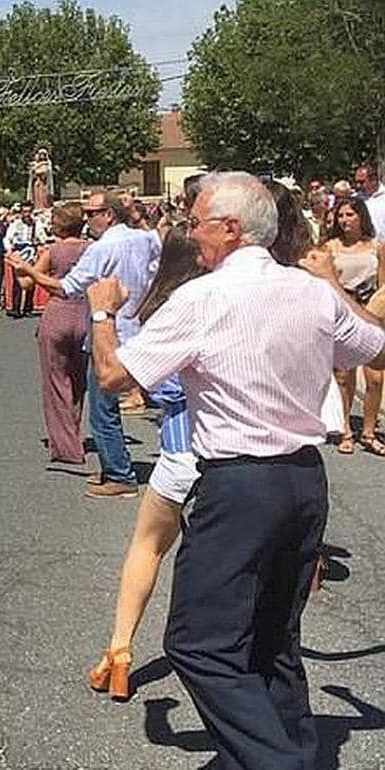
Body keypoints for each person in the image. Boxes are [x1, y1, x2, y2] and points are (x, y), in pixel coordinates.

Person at [87, 171, 385, 769]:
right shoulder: (311, 291)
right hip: (304, 479)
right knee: (274, 637)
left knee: (198, 644)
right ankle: (288, 749)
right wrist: (332, 284)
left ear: (228, 229)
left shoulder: (203, 297)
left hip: (240, 482)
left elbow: (116, 379)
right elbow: (376, 345)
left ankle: (280, 762)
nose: (190, 234)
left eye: (197, 222)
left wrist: (102, 315)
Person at [86, 228, 204, 701]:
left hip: (179, 453)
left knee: (147, 548)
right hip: (229, 457)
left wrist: (104, 315)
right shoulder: (224, 306)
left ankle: (120, 650)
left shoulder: (165, 315)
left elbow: (132, 379)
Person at [12, 191, 160, 498]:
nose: (87, 218)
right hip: (139, 326)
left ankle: (120, 474)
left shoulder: (101, 249)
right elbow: (157, 267)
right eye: (85, 213)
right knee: (159, 396)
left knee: (102, 409)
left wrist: (28, 271)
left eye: (92, 212)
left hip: (108, 329)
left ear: (108, 214)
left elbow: (65, 287)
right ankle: (118, 467)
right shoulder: (144, 239)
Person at [22, 203, 89, 464]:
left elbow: (28, 282)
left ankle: (65, 445)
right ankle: (73, 430)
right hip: (83, 313)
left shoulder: (52, 251)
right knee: (78, 380)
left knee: (56, 381)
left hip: (58, 314)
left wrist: (22, 268)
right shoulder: (90, 250)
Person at [319, 197, 385, 455]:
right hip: (343, 312)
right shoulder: (329, 247)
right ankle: (345, 427)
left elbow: (383, 285)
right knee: (344, 376)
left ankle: (368, 431)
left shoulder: (376, 246)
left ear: (361, 217)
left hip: (371, 312)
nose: (344, 220)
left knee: (376, 377)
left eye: (350, 215)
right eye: (341, 215)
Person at [3, 202, 48, 317]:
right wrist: (9, 250)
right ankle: (15, 308)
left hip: (31, 253)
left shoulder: (36, 224)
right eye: (24, 212)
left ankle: (28, 308)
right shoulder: (15, 224)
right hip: (19, 252)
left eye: (29, 211)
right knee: (17, 281)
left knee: (31, 279)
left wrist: (39, 242)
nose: (26, 214)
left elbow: (42, 237)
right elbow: (8, 238)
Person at [354, 163, 385, 237]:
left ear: (373, 180)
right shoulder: (355, 199)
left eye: (361, 182)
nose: (358, 186)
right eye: (356, 182)